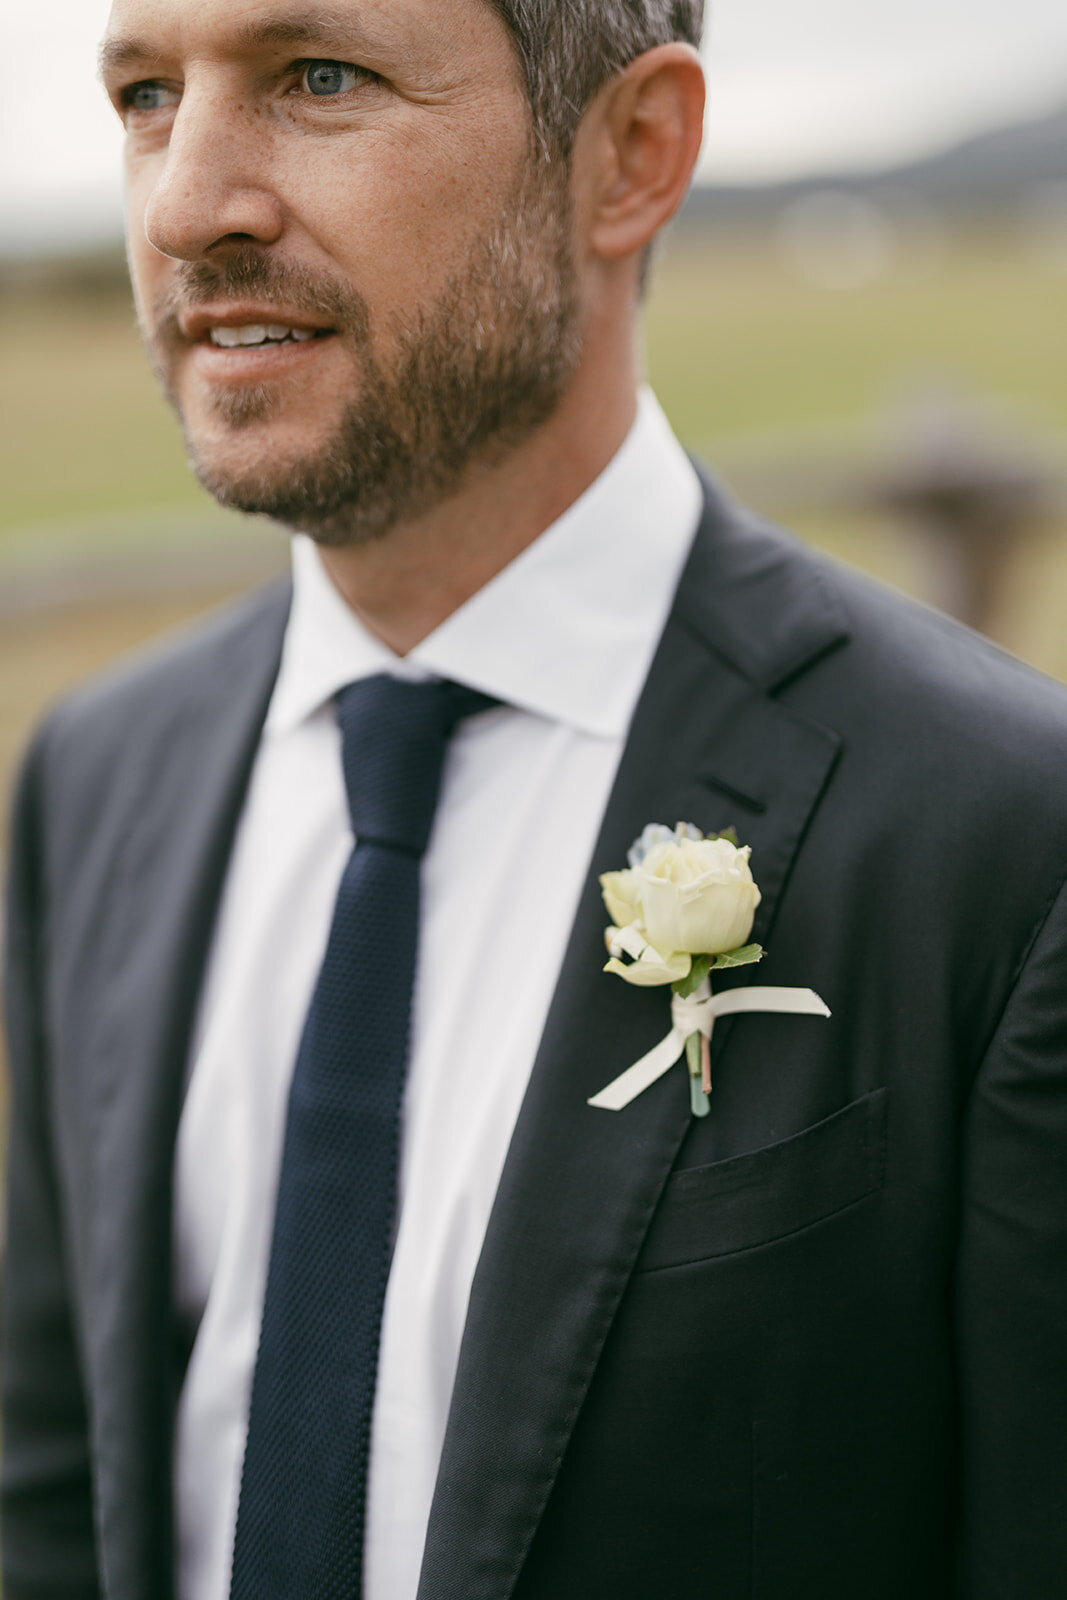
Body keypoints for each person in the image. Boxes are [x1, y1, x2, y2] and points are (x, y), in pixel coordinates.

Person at [3, 0, 1066, 1594]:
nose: (184, 204)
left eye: (319, 78)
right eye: (148, 96)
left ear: (630, 155)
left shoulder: (997, 835)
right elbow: (56, 1490)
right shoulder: (98, 776)